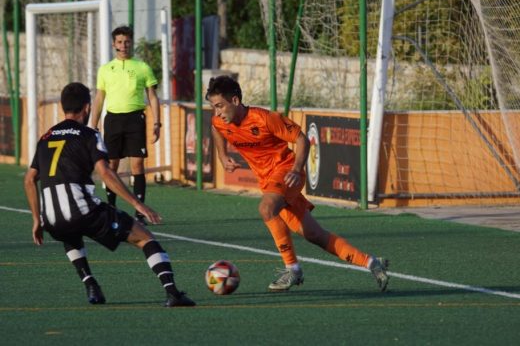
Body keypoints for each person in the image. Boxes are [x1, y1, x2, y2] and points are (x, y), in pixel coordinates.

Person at [206, 75, 389, 292]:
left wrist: (296, 169)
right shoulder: (220, 121)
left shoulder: (265, 119)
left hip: (286, 172)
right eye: (213, 107)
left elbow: (302, 139)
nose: (217, 112)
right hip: (268, 182)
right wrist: (222, 154)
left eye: (220, 106)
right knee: (314, 235)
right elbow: (216, 129)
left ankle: (293, 269)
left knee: (266, 208)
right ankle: (371, 262)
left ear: (235, 101)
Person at [24, 82, 195, 308]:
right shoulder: (88, 135)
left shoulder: (46, 137)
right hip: (83, 210)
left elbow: (29, 180)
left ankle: (91, 284)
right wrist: (138, 204)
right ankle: (173, 293)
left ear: (63, 107)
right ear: (87, 107)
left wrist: (37, 219)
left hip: (52, 219)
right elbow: (105, 172)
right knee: (145, 238)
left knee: (69, 231)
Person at [90, 25, 160, 225]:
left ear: (132, 43)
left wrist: (157, 122)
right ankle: (111, 209)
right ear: (114, 44)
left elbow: (152, 96)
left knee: (138, 164)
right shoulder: (105, 69)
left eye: (127, 41)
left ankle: (140, 213)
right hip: (112, 120)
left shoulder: (142, 67)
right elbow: (99, 98)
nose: (123, 45)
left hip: (135, 119)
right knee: (111, 166)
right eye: (119, 42)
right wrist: (92, 125)